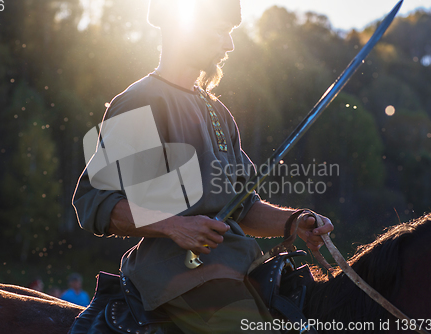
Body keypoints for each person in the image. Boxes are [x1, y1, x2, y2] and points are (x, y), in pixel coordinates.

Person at [73, 0, 334, 332]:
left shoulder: (217, 110)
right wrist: (174, 226)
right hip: (176, 275)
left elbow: (243, 208)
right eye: (219, 31)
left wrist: (295, 222)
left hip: (240, 265)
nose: (229, 44)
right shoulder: (141, 101)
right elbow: (96, 202)